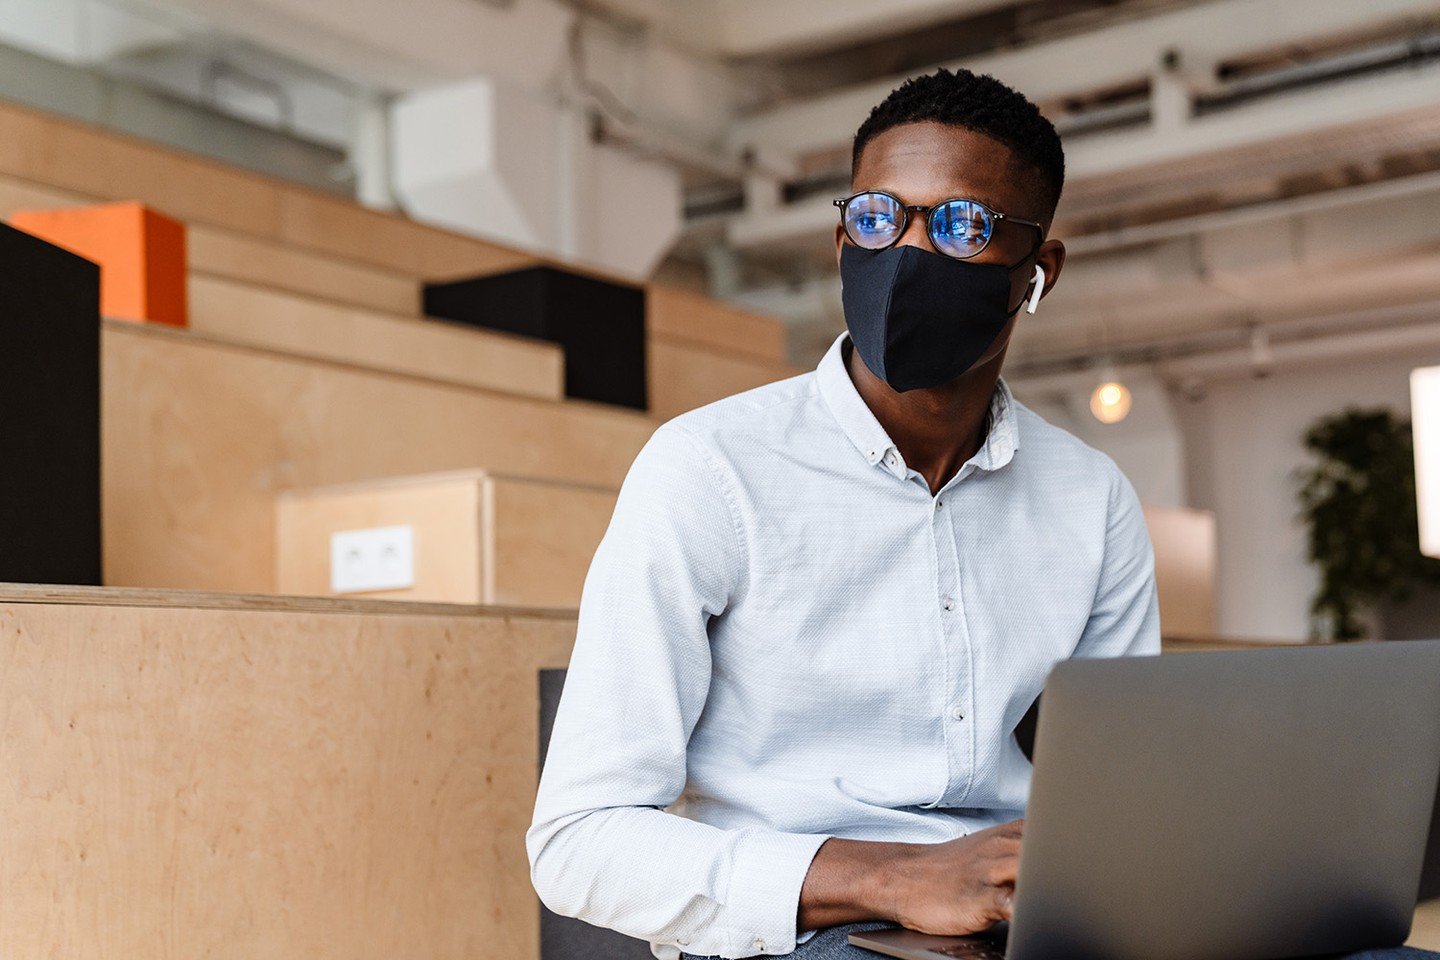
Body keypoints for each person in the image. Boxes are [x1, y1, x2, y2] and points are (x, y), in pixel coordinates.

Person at [525, 67, 1440, 960]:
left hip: (1020, 918)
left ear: (1037, 270)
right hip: (800, 931)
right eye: (878, 217)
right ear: (843, 237)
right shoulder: (708, 470)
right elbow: (577, 843)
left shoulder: (1091, 499)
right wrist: (896, 879)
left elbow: (1115, 798)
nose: (908, 254)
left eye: (963, 225)